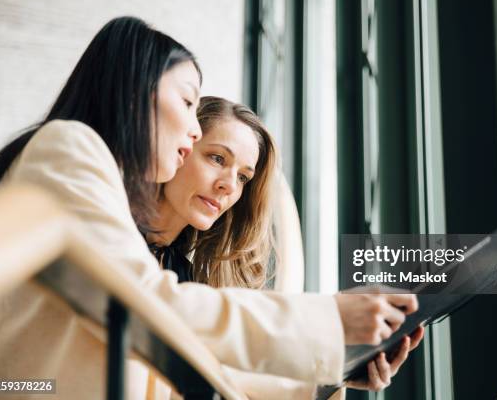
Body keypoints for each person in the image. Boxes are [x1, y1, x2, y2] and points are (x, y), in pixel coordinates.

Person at [0, 17, 418, 399]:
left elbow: (196, 354)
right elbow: (149, 307)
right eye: (188, 102)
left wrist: (333, 367)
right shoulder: (69, 146)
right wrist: (329, 322)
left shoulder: (169, 263)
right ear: (135, 90)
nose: (191, 129)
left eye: (244, 177)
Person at [145, 96, 424, 398]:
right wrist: (332, 317)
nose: (228, 185)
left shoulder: (183, 273)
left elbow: (223, 375)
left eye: (243, 177)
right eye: (217, 158)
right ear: (180, 147)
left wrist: (335, 373)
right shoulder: (125, 244)